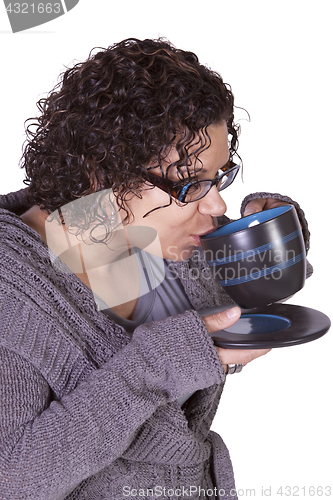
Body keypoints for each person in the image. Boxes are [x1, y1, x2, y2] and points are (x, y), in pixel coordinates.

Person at [0, 38, 312, 500]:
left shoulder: (108, 228)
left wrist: (276, 230)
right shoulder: (13, 294)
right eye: (190, 183)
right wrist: (160, 365)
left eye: (220, 176)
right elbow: (13, 479)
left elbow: (236, 291)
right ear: (101, 174)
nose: (218, 203)